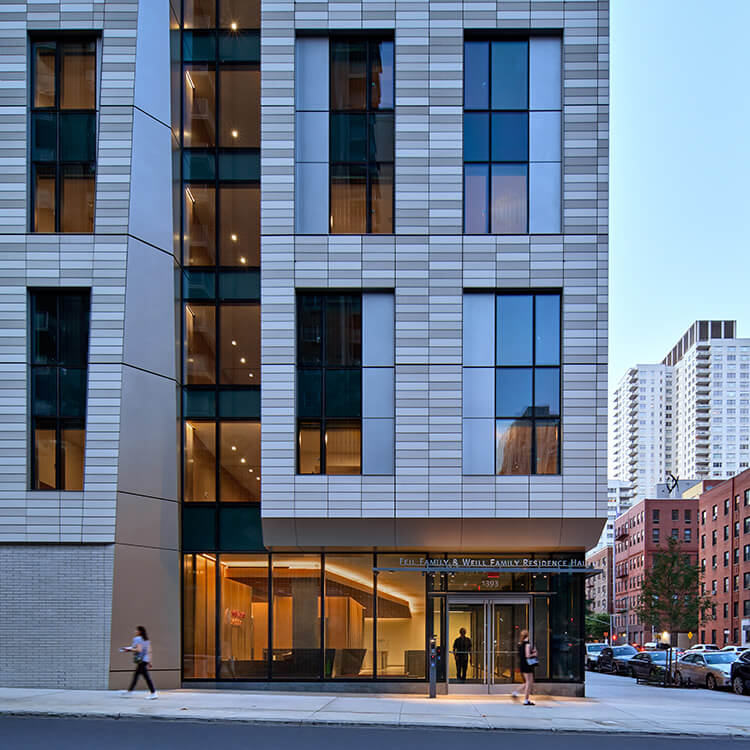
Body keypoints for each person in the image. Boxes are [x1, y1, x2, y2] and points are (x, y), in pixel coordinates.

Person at [120, 625, 158, 699]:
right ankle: (130, 691)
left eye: (136, 630)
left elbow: (139, 649)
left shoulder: (137, 638)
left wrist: (128, 649)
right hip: (145, 660)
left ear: (140, 632)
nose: (135, 631)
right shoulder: (146, 639)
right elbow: (149, 651)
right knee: (136, 675)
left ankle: (153, 693)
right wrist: (149, 661)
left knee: (146, 677)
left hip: (141, 660)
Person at [512, 629, 537, 705]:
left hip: (523, 664)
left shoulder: (520, 644)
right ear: (528, 635)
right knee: (529, 682)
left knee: (528, 682)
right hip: (527, 665)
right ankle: (526, 699)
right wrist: (534, 654)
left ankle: (516, 692)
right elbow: (528, 655)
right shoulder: (527, 644)